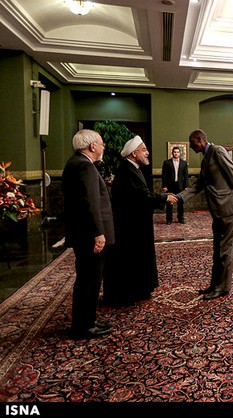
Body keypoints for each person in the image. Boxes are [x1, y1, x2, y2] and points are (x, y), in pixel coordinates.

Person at [103, 136, 177, 307]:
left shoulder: (132, 168)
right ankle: (129, 293)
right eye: (143, 150)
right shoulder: (127, 170)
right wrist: (164, 198)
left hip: (135, 222)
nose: (147, 153)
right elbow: (141, 195)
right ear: (134, 153)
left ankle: (139, 289)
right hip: (130, 225)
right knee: (131, 258)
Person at [178, 129, 233, 300]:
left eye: (192, 143)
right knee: (217, 250)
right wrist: (179, 197)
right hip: (217, 210)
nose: (191, 146)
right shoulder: (206, 158)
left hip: (228, 208)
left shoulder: (218, 151)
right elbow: (199, 184)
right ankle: (214, 285)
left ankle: (222, 288)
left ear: (200, 140)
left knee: (225, 251)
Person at [62, 129, 114, 339]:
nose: (103, 147)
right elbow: (90, 203)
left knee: (87, 278)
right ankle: (84, 326)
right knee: (90, 279)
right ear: (92, 146)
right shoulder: (85, 166)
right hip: (89, 234)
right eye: (101, 143)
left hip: (81, 232)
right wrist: (98, 233)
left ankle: (86, 320)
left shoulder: (74, 163)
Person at [162, 146, 189, 224]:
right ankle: (169, 219)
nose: (176, 153)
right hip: (170, 185)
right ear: (172, 153)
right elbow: (164, 175)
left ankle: (180, 218)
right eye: (174, 152)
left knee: (180, 203)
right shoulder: (167, 163)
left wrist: (186, 186)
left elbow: (186, 175)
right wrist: (164, 186)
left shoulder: (184, 163)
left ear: (179, 153)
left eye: (177, 152)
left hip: (180, 186)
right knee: (169, 203)